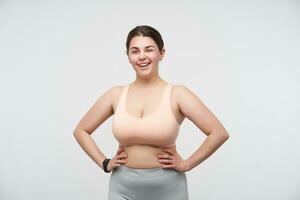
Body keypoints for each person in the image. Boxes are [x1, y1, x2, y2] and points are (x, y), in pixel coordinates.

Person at [73, 25, 230, 200]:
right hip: (122, 187)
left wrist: (188, 164)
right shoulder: (116, 94)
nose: (142, 56)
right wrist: (104, 163)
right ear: (128, 57)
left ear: (161, 53)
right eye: (135, 51)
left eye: (149, 49)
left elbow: (218, 133)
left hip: (168, 189)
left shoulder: (177, 94)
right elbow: (81, 131)